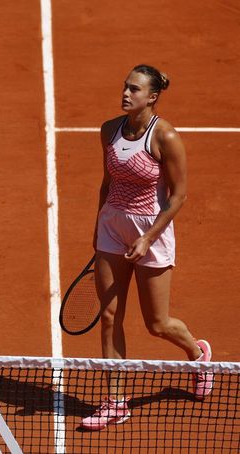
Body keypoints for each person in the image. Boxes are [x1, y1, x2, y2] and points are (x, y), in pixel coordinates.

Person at [80, 65, 212, 431]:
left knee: (157, 323)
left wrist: (148, 237)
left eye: (134, 89)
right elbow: (107, 183)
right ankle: (115, 402)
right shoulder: (109, 130)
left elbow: (179, 196)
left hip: (150, 231)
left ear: (152, 97)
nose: (125, 93)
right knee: (109, 318)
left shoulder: (165, 137)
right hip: (112, 227)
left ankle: (197, 353)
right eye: (124, 87)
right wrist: (98, 229)